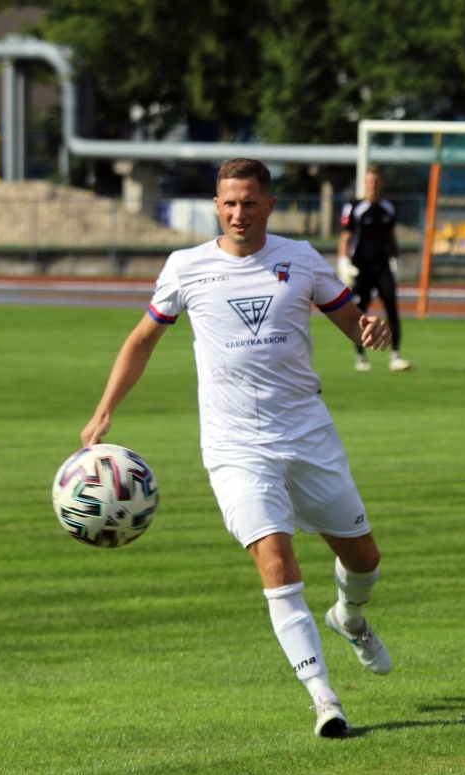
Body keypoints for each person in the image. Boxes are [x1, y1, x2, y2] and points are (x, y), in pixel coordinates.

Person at [81, 157, 396, 739]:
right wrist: (105, 409)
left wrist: (372, 329)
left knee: (365, 559)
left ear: (270, 205)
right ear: (216, 206)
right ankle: (324, 697)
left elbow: (354, 323)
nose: (238, 213)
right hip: (234, 448)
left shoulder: (299, 258)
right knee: (277, 564)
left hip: (308, 436)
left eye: (250, 202)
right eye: (228, 203)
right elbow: (142, 338)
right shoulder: (186, 268)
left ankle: (349, 618)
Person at [338, 165, 409, 372]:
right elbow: (346, 236)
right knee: (360, 311)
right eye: (370, 181)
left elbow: (391, 236)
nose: (373, 185)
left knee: (391, 307)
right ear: (365, 183)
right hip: (360, 267)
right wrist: (343, 261)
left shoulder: (388, 207)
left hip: (382, 265)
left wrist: (397, 259)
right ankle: (361, 357)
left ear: (382, 183)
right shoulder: (354, 207)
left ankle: (396, 355)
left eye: (376, 181)